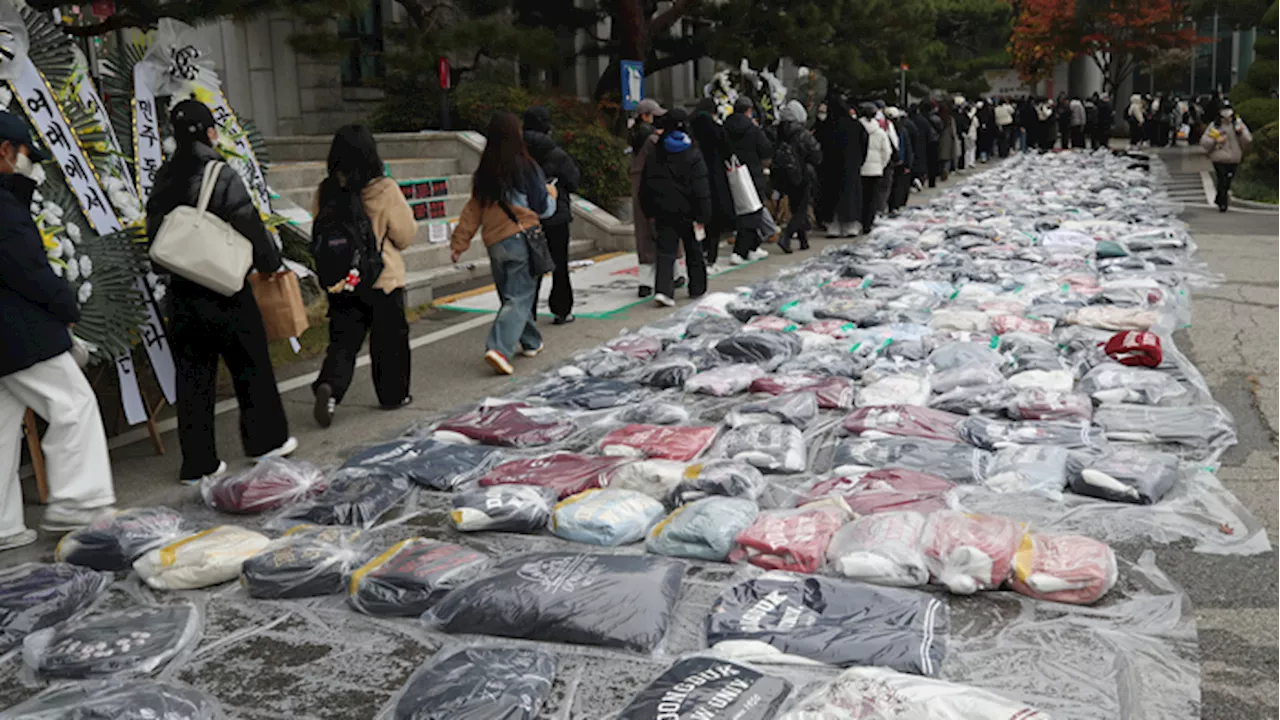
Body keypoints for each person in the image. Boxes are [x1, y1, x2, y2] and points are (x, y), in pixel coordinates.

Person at [146, 101, 295, 484]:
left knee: (193, 378)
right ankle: (266, 442)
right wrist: (270, 262)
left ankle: (198, 464)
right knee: (251, 365)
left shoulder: (163, 176)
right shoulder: (220, 173)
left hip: (181, 292)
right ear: (210, 132)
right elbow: (248, 223)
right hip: (225, 288)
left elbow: (155, 238)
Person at [0, 111, 116, 549]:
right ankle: (78, 501)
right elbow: (28, 268)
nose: (30, 164)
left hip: (7, 336)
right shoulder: (4, 208)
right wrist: (65, 306)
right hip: (18, 330)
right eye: (27, 155)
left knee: (2, 424)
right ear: (5, 151)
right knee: (74, 404)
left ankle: (4, 525)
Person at [310, 124, 416, 428]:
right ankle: (393, 395)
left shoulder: (326, 191)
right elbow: (405, 235)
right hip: (381, 280)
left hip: (343, 281)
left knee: (343, 343)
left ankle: (330, 387)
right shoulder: (384, 189)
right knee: (390, 342)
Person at [450, 112, 556, 375]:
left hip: (495, 244)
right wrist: (552, 193)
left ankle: (531, 341)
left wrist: (459, 243)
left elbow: (472, 211)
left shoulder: (484, 172)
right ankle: (498, 349)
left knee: (512, 297)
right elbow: (543, 208)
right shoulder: (526, 166)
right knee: (519, 298)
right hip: (521, 240)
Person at [639, 108, 710, 306]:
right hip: (690, 211)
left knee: (665, 251)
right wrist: (703, 214)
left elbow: (645, 185)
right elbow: (701, 187)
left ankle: (664, 291)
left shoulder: (655, 153)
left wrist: (649, 211)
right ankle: (697, 287)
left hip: (663, 210)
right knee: (693, 249)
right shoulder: (693, 152)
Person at [523, 107, 581, 325]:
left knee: (531, 267)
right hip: (557, 215)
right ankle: (562, 310)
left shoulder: (516, 155)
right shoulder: (556, 153)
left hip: (526, 216)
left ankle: (528, 315)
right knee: (559, 264)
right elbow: (574, 182)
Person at [724, 96, 774, 264]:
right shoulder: (752, 129)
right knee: (753, 212)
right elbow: (766, 149)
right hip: (752, 173)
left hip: (731, 172)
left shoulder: (725, 127)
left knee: (743, 211)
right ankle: (741, 250)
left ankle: (753, 247)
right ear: (749, 111)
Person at [690, 98, 736, 266]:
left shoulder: (690, 126)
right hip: (714, 176)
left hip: (691, 175)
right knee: (714, 217)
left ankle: (698, 251)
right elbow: (728, 151)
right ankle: (711, 254)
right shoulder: (716, 129)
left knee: (697, 217)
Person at [775, 100, 823, 253]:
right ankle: (786, 237)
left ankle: (803, 240)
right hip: (803, 174)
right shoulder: (803, 134)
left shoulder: (779, 133)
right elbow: (816, 155)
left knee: (795, 206)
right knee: (801, 208)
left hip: (785, 175)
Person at [630, 98, 663, 298]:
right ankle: (672, 274)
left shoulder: (631, 136)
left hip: (637, 183)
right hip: (654, 183)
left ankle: (645, 282)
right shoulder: (653, 140)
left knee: (642, 231)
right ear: (645, 116)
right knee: (663, 229)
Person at [1200, 103, 1253, 212]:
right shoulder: (1215, 125)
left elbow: (1248, 140)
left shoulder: (1238, 124)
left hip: (1234, 157)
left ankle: (1219, 198)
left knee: (1228, 181)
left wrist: (1241, 133)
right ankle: (1223, 203)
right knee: (1222, 179)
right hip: (1219, 157)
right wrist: (1215, 140)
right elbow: (1204, 142)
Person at [831, 97, 867, 237]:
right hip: (852, 165)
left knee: (835, 196)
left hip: (834, 166)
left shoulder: (832, 126)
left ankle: (834, 226)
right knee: (852, 196)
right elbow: (864, 145)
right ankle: (851, 225)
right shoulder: (856, 125)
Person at [857, 103, 892, 235]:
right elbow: (887, 152)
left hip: (860, 169)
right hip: (875, 169)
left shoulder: (857, 129)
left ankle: (859, 220)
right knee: (872, 198)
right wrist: (881, 165)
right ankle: (868, 223)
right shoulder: (880, 132)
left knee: (860, 197)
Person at [887, 107, 915, 212]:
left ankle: (892, 205)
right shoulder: (902, 130)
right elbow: (908, 147)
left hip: (890, 162)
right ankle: (895, 205)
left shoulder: (887, 130)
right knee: (898, 185)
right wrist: (908, 164)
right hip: (900, 161)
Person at [938, 103, 958, 181]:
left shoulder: (938, 118)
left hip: (940, 139)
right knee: (947, 158)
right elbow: (953, 130)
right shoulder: (950, 119)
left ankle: (941, 172)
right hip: (948, 139)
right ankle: (946, 171)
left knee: (941, 158)